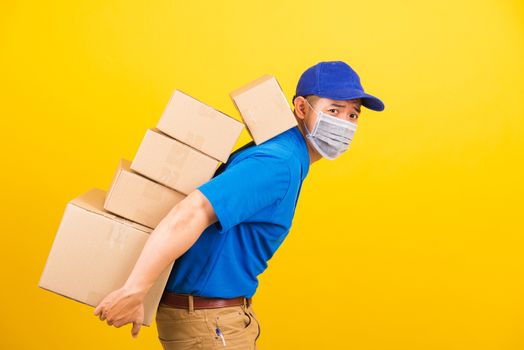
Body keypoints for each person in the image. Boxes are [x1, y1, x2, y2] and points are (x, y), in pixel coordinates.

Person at [93, 60, 385, 349]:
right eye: (334, 110)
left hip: (220, 318)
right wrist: (135, 290)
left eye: (353, 115)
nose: (344, 124)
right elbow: (193, 211)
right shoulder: (278, 162)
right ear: (301, 108)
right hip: (210, 322)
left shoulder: (289, 154)